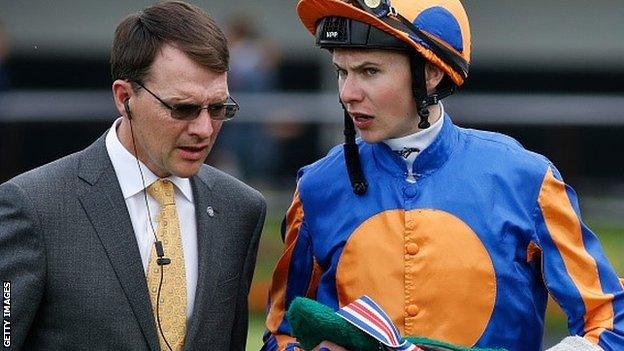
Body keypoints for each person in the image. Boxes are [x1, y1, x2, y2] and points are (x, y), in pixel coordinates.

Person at [262, 0, 624, 350]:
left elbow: (609, 319)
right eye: (342, 71)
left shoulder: (526, 179)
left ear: (431, 73)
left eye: (369, 71)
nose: (348, 93)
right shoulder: (316, 187)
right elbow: (281, 333)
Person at [0, 1, 265, 350]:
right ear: (124, 97)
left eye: (219, 108)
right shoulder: (35, 206)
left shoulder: (241, 209)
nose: (204, 128)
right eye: (182, 108)